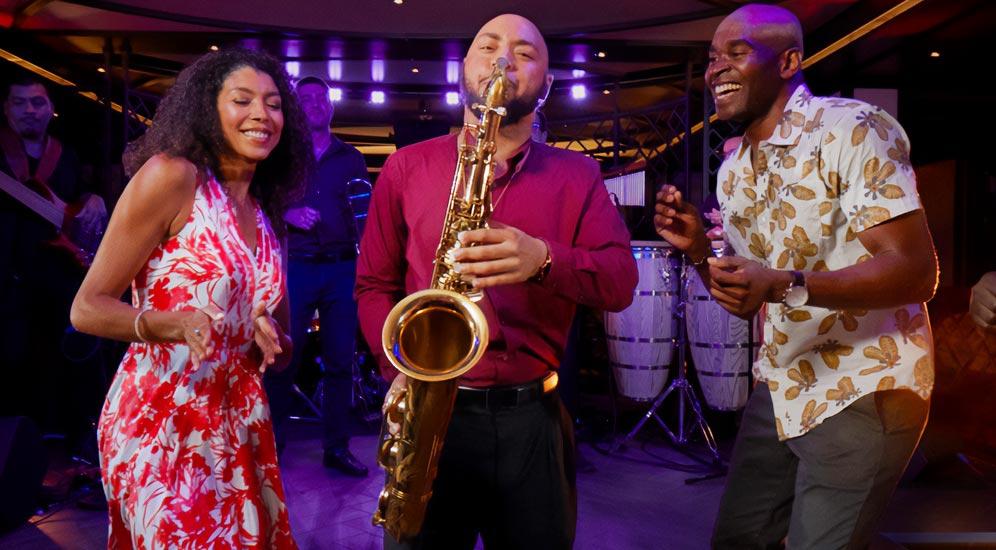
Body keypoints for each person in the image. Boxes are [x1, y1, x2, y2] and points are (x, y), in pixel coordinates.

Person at [654, 4, 937, 548]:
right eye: (713, 58)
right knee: (737, 540)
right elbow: (746, 297)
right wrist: (696, 253)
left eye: (737, 53)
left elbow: (916, 273)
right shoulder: (735, 170)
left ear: (788, 61)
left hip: (862, 388)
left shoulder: (853, 129)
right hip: (783, 382)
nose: (717, 69)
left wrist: (785, 284)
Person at [355, 13, 638, 550]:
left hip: (534, 419)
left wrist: (544, 260)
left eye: (524, 53)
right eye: (488, 47)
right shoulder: (406, 168)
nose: (503, 60)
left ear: (548, 86)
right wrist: (395, 369)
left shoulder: (578, 176)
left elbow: (621, 282)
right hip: (430, 405)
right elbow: (373, 284)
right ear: (463, 69)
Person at [69, 48, 310, 549]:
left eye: (273, 104)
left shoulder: (268, 216)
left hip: (240, 424)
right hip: (163, 421)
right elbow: (87, 307)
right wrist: (172, 323)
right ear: (207, 109)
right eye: (242, 100)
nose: (261, 115)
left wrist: (271, 339)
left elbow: (283, 356)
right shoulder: (173, 177)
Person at [263, 75, 371, 477]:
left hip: (343, 269)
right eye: (304, 98)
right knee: (285, 358)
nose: (313, 104)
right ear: (296, 107)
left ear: (331, 107)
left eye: (320, 98)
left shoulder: (351, 156)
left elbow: (364, 212)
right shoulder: (283, 154)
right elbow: (258, 201)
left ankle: (336, 447)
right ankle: (271, 445)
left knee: (342, 361)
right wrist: (286, 213)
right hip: (298, 266)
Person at [0, 75, 107, 447]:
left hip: (58, 276)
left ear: (50, 110)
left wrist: (93, 197)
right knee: (11, 364)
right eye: (19, 102)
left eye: (37, 102)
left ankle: (72, 440)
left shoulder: (66, 153)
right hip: (7, 279)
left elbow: (76, 201)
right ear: (6, 108)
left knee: (68, 360)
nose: (30, 110)